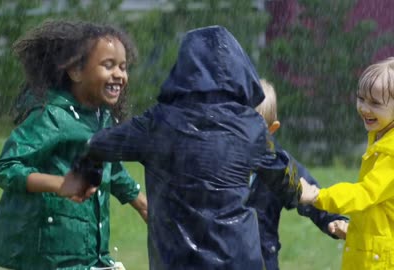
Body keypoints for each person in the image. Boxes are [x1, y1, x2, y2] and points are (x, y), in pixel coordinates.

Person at [69, 25, 307, 270]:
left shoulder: (157, 124)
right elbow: (281, 173)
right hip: (238, 261)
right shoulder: (251, 126)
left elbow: (98, 144)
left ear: (184, 70)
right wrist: (299, 192)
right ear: (239, 70)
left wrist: (89, 171)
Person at [0, 20, 147, 270]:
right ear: (76, 71)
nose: (119, 74)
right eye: (108, 65)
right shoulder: (51, 116)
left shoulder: (102, 118)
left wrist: (143, 204)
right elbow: (7, 167)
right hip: (39, 258)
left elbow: (112, 169)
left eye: (123, 67)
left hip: (85, 257)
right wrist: (59, 184)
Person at [302, 57, 394, 270]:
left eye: (375, 103)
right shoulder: (382, 135)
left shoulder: (391, 154)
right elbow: (382, 209)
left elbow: (365, 194)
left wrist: (319, 196)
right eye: (361, 98)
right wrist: (354, 230)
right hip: (372, 252)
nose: (364, 108)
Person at [247, 79, 349, 270]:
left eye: (252, 130)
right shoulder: (216, 163)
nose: (244, 138)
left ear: (271, 129)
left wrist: (332, 220)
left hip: (262, 259)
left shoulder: (280, 165)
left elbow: (311, 193)